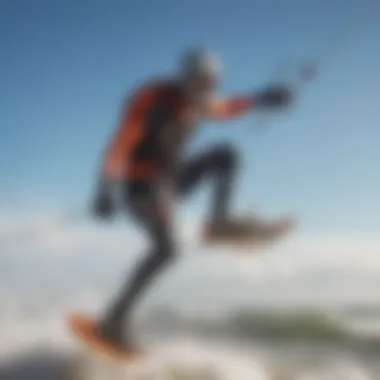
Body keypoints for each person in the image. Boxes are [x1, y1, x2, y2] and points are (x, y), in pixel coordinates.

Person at [92, 47, 295, 352]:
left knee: (226, 154)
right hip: (140, 183)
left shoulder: (200, 102)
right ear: (184, 77)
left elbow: (226, 107)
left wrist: (261, 99)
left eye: (212, 82)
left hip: (171, 181)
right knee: (167, 249)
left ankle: (217, 224)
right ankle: (114, 320)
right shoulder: (154, 98)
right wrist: (104, 188)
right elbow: (121, 141)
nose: (208, 88)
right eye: (201, 81)